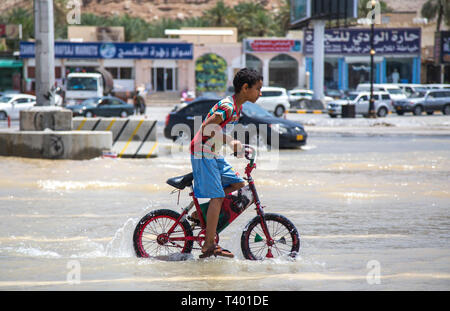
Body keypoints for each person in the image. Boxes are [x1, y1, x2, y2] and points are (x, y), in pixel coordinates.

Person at [190, 68, 263, 259]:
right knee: (217, 197)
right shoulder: (228, 107)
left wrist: (239, 145)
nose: (260, 93)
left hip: (212, 153)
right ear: (245, 88)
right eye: (258, 88)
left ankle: (201, 214)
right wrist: (231, 142)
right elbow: (206, 128)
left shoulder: (237, 108)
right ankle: (208, 245)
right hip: (202, 152)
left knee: (239, 184)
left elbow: (220, 132)